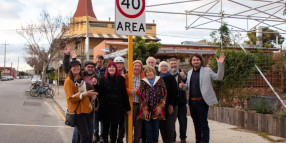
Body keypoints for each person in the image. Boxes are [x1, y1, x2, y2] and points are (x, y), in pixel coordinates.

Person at [179, 53, 225, 143]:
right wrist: (182, 86)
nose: (196, 61)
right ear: (191, 62)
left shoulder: (207, 70)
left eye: (197, 60)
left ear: (201, 61)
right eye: (194, 60)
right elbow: (187, 86)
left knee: (203, 124)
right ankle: (198, 141)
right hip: (192, 103)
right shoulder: (189, 72)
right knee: (196, 124)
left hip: (202, 102)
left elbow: (219, 77)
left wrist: (220, 65)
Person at [63, 45, 98, 143]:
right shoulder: (68, 81)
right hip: (77, 112)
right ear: (70, 69)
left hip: (87, 110)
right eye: (74, 67)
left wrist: (92, 94)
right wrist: (84, 94)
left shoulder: (81, 76)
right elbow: (70, 98)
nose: (76, 68)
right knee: (85, 137)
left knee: (80, 136)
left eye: (78, 66)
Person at [96, 61, 131, 143]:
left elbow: (124, 94)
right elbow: (99, 93)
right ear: (107, 69)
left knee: (114, 128)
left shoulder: (121, 79)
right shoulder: (102, 78)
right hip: (105, 108)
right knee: (105, 128)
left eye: (113, 67)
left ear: (116, 69)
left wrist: (127, 108)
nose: (111, 68)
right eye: (110, 67)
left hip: (117, 108)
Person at [138, 65, 167, 143]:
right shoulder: (143, 82)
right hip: (146, 109)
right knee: (148, 128)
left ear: (154, 72)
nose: (149, 73)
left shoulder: (160, 80)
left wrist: (160, 106)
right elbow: (141, 95)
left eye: (150, 71)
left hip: (157, 108)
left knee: (156, 128)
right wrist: (144, 109)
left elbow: (164, 93)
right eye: (147, 72)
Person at [123, 60, 145, 143]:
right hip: (128, 105)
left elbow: (146, 91)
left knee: (138, 126)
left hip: (139, 105)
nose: (136, 67)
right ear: (131, 67)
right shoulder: (126, 76)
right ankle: (129, 141)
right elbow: (121, 90)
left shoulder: (144, 78)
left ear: (141, 68)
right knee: (128, 125)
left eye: (138, 66)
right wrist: (129, 91)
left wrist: (138, 91)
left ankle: (136, 141)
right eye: (135, 65)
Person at [158, 61, 179, 143]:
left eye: (165, 66)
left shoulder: (171, 78)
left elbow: (175, 93)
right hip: (160, 106)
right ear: (159, 68)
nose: (164, 68)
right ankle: (165, 140)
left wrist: (171, 105)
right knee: (161, 125)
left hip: (170, 105)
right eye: (162, 66)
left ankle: (170, 141)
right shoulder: (157, 78)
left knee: (169, 125)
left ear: (168, 68)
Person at [169, 58, 188, 143]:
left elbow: (187, 82)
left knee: (183, 121)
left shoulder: (182, 73)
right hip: (172, 103)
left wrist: (184, 77)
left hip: (181, 102)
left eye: (175, 63)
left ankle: (183, 137)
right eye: (172, 63)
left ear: (177, 64)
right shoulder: (168, 75)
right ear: (170, 64)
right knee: (172, 121)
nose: (173, 65)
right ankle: (173, 137)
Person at [113, 56, 128, 143]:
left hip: (123, 101)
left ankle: (120, 138)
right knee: (114, 122)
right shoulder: (112, 73)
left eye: (121, 63)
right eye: (117, 63)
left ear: (123, 64)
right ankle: (114, 138)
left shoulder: (128, 73)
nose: (119, 65)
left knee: (123, 123)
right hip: (114, 102)